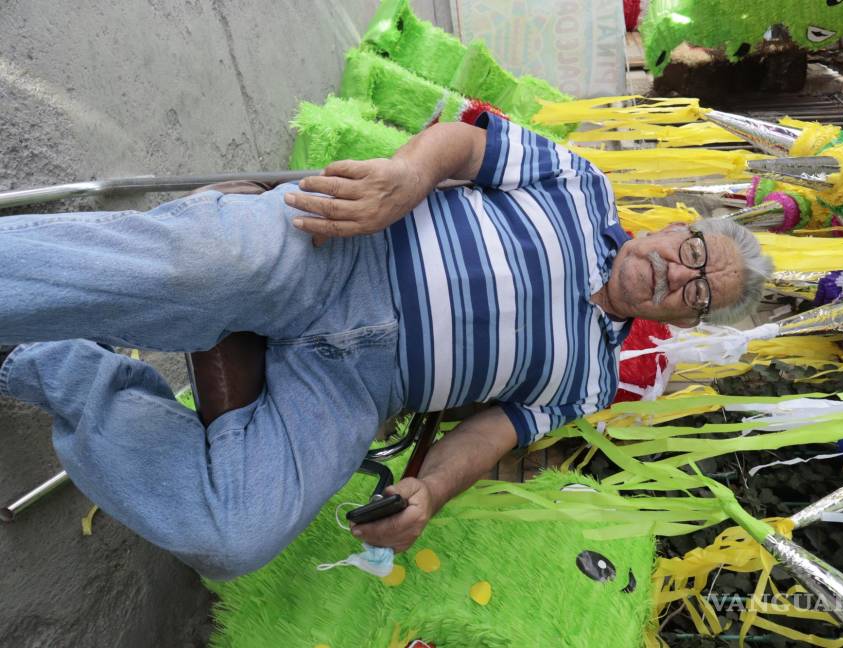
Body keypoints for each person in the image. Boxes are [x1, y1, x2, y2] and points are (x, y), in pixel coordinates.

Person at [0, 113, 772, 579]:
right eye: (694, 252)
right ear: (679, 227)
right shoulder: (581, 187)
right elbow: (465, 145)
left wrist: (430, 492)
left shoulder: (592, 379)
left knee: (234, 535)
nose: (679, 275)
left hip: (353, 390)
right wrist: (408, 172)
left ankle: (45, 363)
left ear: (685, 322)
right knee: (207, 268)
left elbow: (491, 435)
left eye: (698, 294)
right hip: (342, 254)